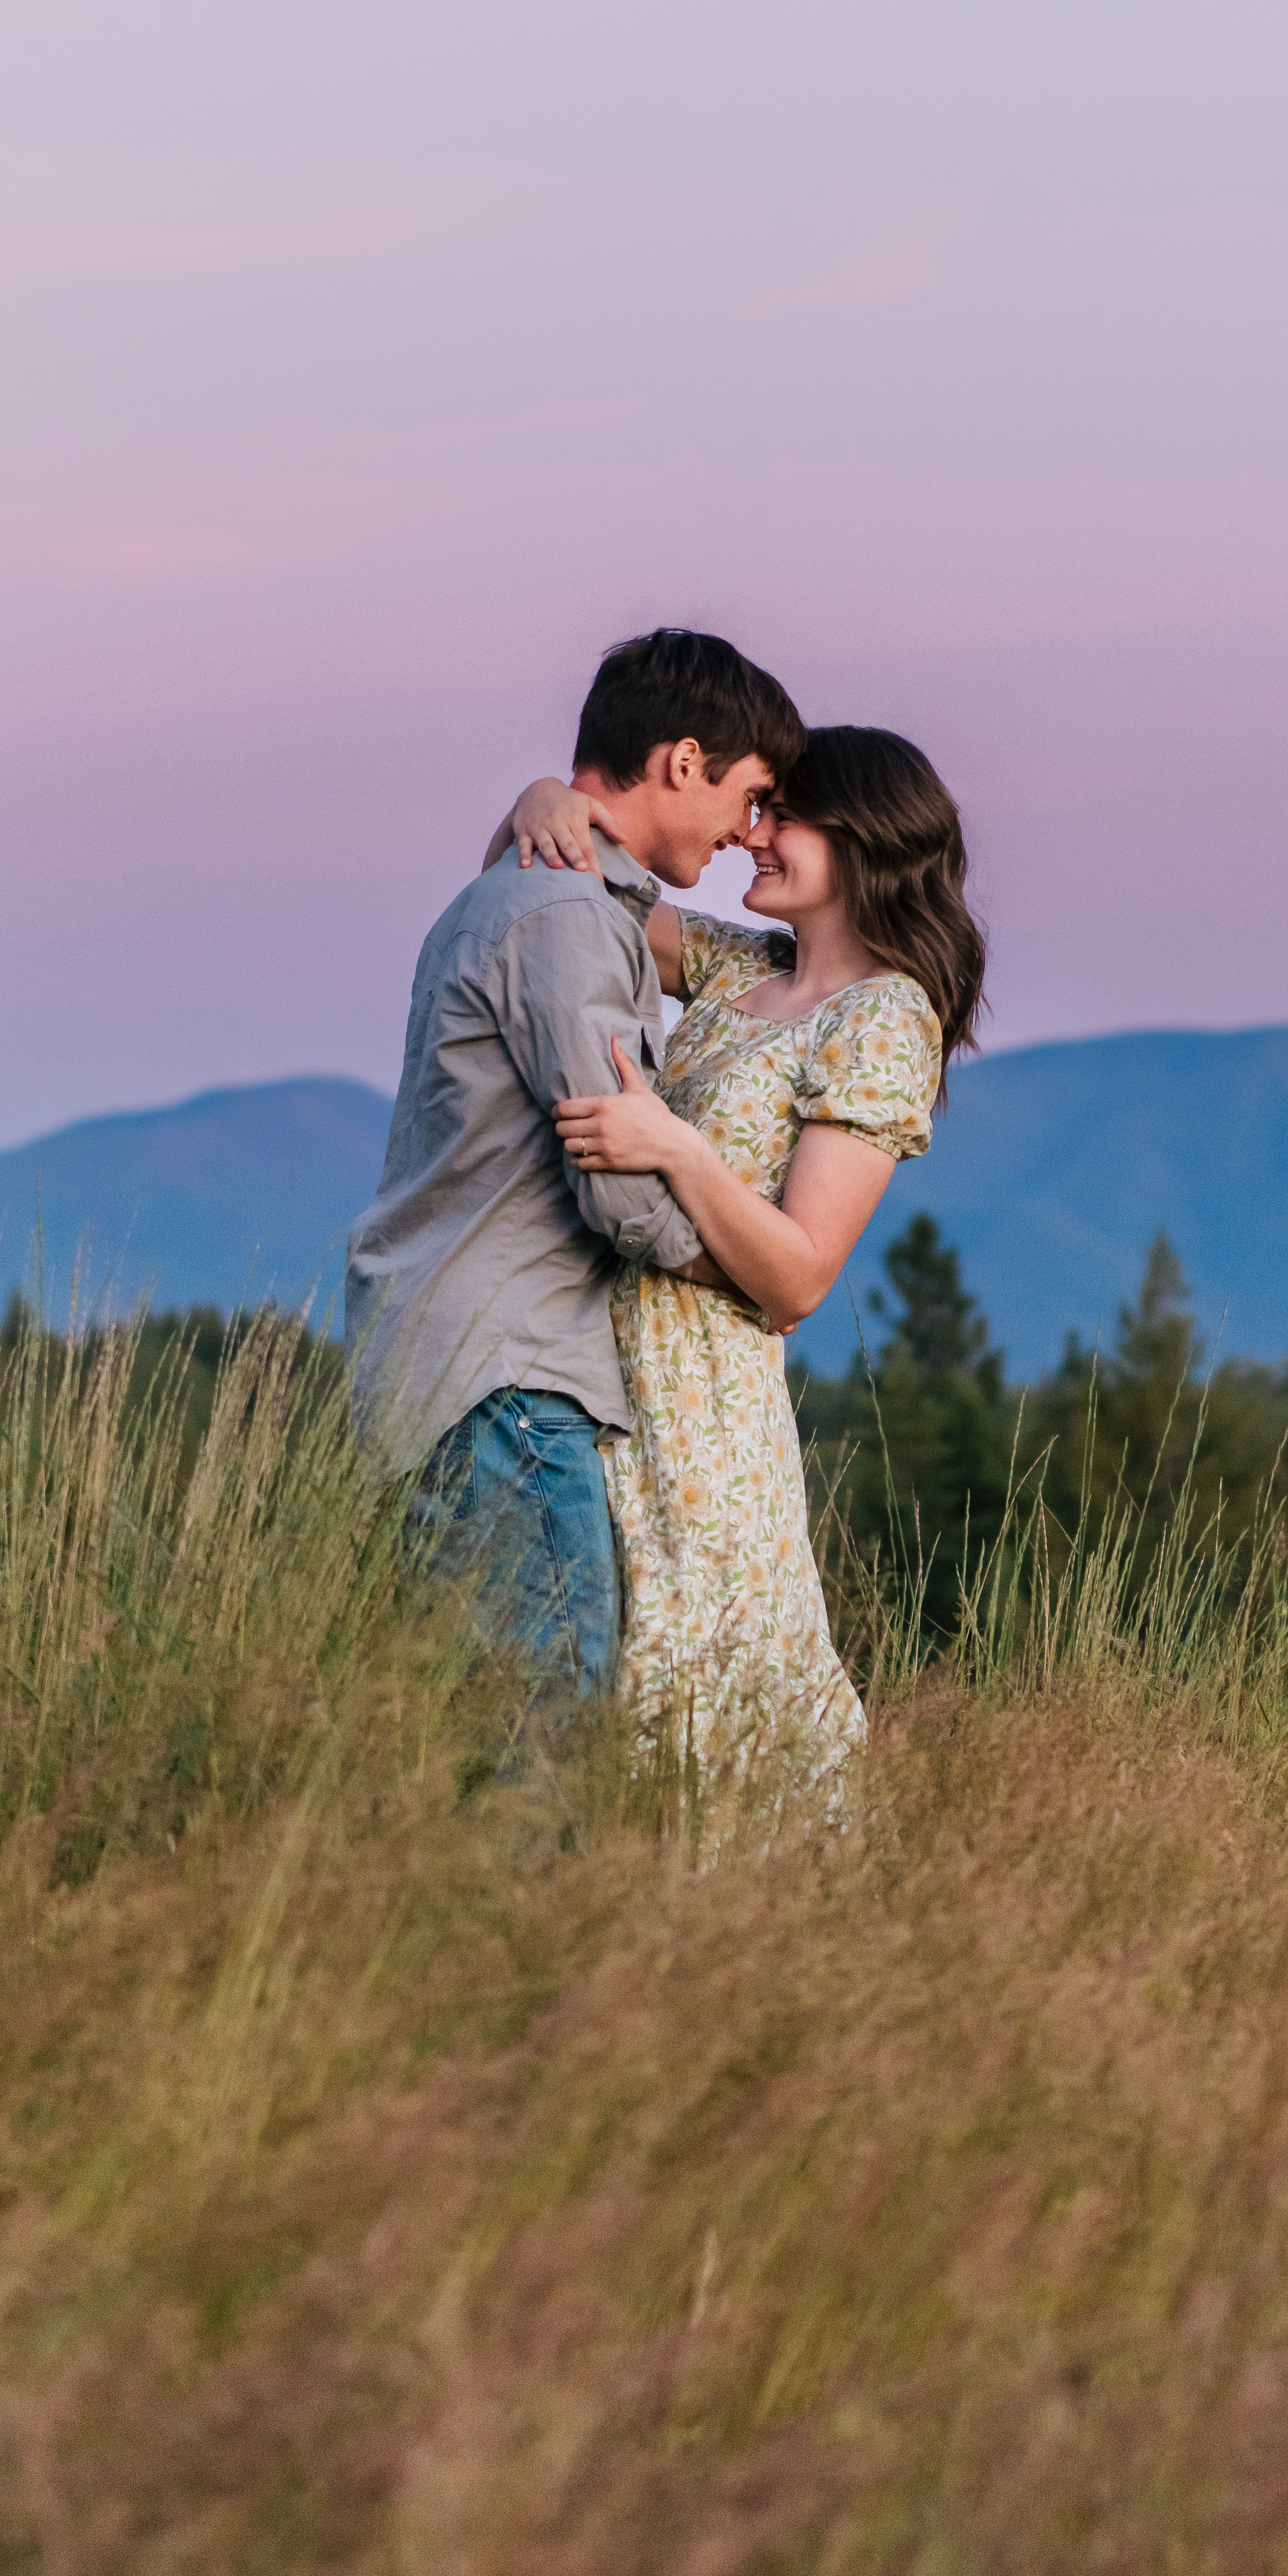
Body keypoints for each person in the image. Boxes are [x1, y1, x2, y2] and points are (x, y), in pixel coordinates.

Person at [500, 724, 985, 1799]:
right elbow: (571, 894)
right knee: (592, 1677)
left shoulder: (885, 1016)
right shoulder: (741, 968)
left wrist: (675, 1146)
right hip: (599, 1364)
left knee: (703, 1690)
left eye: (783, 814)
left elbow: (803, 1274)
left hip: (703, 1408)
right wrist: (545, 797)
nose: (751, 835)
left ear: (863, 837)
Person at [345, 629, 803, 1704]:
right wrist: (759, 1276)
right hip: (508, 1382)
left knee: (460, 1733)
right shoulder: (566, 918)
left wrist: (536, 795)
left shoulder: (531, 892)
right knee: (539, 1741)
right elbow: (618, 1186)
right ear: (683, 763)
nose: (748, 833)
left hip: (453, 1370)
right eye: (750, 795)